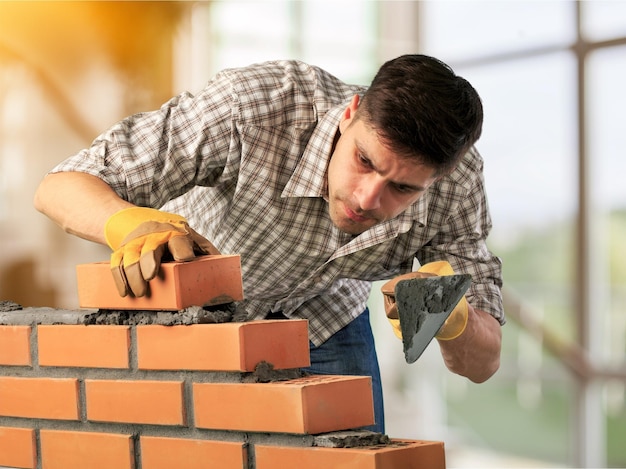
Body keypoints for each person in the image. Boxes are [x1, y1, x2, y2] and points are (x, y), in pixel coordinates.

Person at [34, 55, 504, 434]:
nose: (367, 199)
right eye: (364, 161)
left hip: (325, 316)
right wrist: (126, 221)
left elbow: (484, 362)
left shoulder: (457, 187)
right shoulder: (255, 106)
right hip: (198, 310)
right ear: (349, 114)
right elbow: (59, 186)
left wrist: (455, 318)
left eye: (402, 189)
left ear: (437, 180)